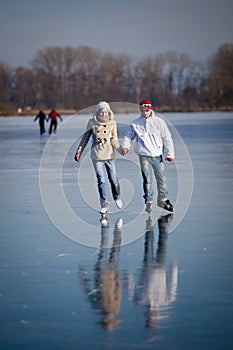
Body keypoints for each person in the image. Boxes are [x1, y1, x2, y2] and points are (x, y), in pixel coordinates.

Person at [121, 99, 175, 213]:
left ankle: (163, 199)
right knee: (147, 179)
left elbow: (167, 138)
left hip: (157, 155)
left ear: (150, 109)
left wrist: (170, 154)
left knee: (161, 179)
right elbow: (128, 135)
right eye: (142, 110)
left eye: (146, 110)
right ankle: (149, 200)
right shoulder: (136, 123)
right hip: (143, 155)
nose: (144, 112)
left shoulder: (159, 122)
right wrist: (126, 146)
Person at [74, 101, 123, 214]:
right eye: (101, 112)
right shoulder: (91, 122)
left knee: (113, 180)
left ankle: (117, 197)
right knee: (101, 180)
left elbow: (114, 139)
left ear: (109, 113)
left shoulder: (112, 123)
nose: (103, 114)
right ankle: (104, 204)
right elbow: (85, 138)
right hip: (96, 154)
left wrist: (120, 149)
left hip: (109, 154)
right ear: (98, 112)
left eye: (105, 112)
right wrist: (79, 152)